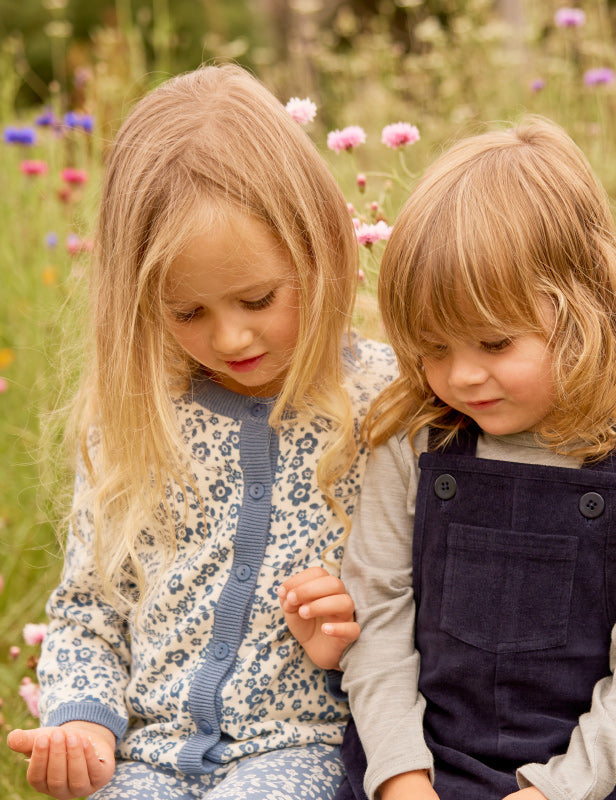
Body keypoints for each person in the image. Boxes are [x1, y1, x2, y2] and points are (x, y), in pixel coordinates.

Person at [6, 63, 395, 800]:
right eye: (188, 313)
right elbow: (91, 607)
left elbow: (429, 600)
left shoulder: (385, 404)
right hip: (146, 754)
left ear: (318, 247)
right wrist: (84, 724)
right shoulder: (135, 418)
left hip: (304, 747)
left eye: (257, 298)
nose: (231, 337)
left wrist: (352, 635)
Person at [327, 117, 616, 800]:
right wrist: (401, 777)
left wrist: (556, 791)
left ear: (586, 312)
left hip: (598, 775)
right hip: (429, 761)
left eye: (494, 343)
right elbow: (378, 619)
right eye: (434, 349)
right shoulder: (413, 446)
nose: (462, 377)